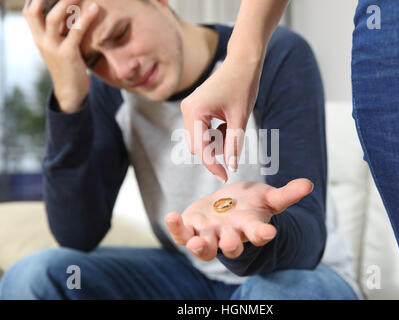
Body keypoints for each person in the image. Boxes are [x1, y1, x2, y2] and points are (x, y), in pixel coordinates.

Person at [0, 0, 362, 300]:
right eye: (95, 60)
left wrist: (241, 239)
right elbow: (77, 234)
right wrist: (69, 101)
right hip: (188, 276)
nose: (122, 69)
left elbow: (308, 240)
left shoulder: (272, 54)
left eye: (121, 34)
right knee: (32, 276)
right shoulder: (110, 95)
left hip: (298, 275)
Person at [182, 0, 399, 300]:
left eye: (123, 33)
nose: (121, 69)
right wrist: (244, 55)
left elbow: (307, 230)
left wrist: (243, 57)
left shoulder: (284, 55)